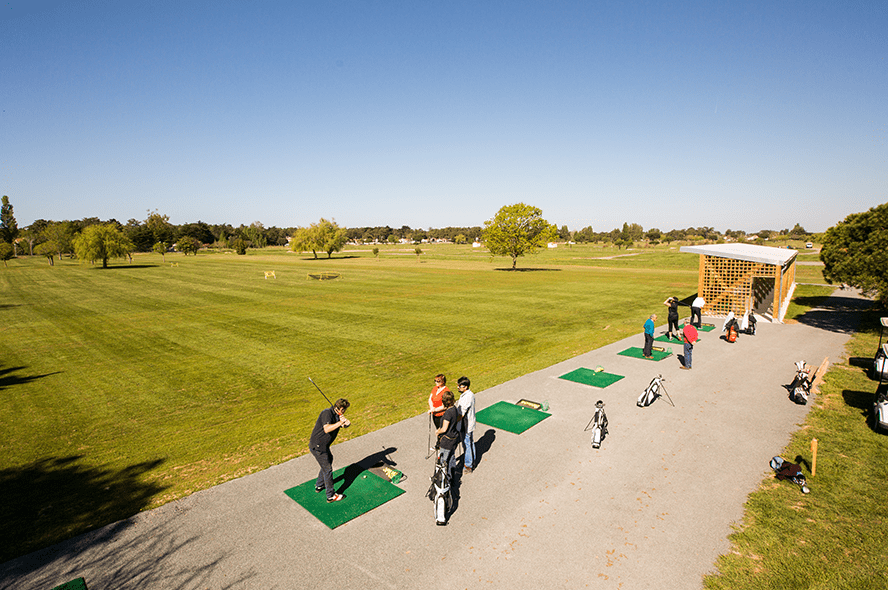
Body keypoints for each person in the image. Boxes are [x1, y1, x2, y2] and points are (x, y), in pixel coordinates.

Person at [309, 398, 351, 503]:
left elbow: (343, 425)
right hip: (318, 446)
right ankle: (331, 495)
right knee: (327, 469)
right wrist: (340, 422)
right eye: (345, 409)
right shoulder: (326, 413)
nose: (345, 411)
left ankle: (319, 485)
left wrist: (346, 423)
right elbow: (327, 429)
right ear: (341, 408)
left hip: (324, 446)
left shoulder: (337, 415)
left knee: (328, 460)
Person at [435, 391, 461, 474]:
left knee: (443, 461)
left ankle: (444, 479)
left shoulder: (448, 414)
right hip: (454, 437)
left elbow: (444, 429)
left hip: (447, 440)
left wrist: (438, 431)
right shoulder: (454, 409)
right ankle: (452, 475)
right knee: (451, 457)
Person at [455, 376, 476, 473]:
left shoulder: (468, 396)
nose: (458, 387)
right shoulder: (467, 394)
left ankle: (468, 465)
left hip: (466, 425)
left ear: (466, 387)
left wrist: (455, 422)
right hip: (467, 424)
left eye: (460, 386)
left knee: (467, 444)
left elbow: (462, 414)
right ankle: (472, 460)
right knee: (470, 443)